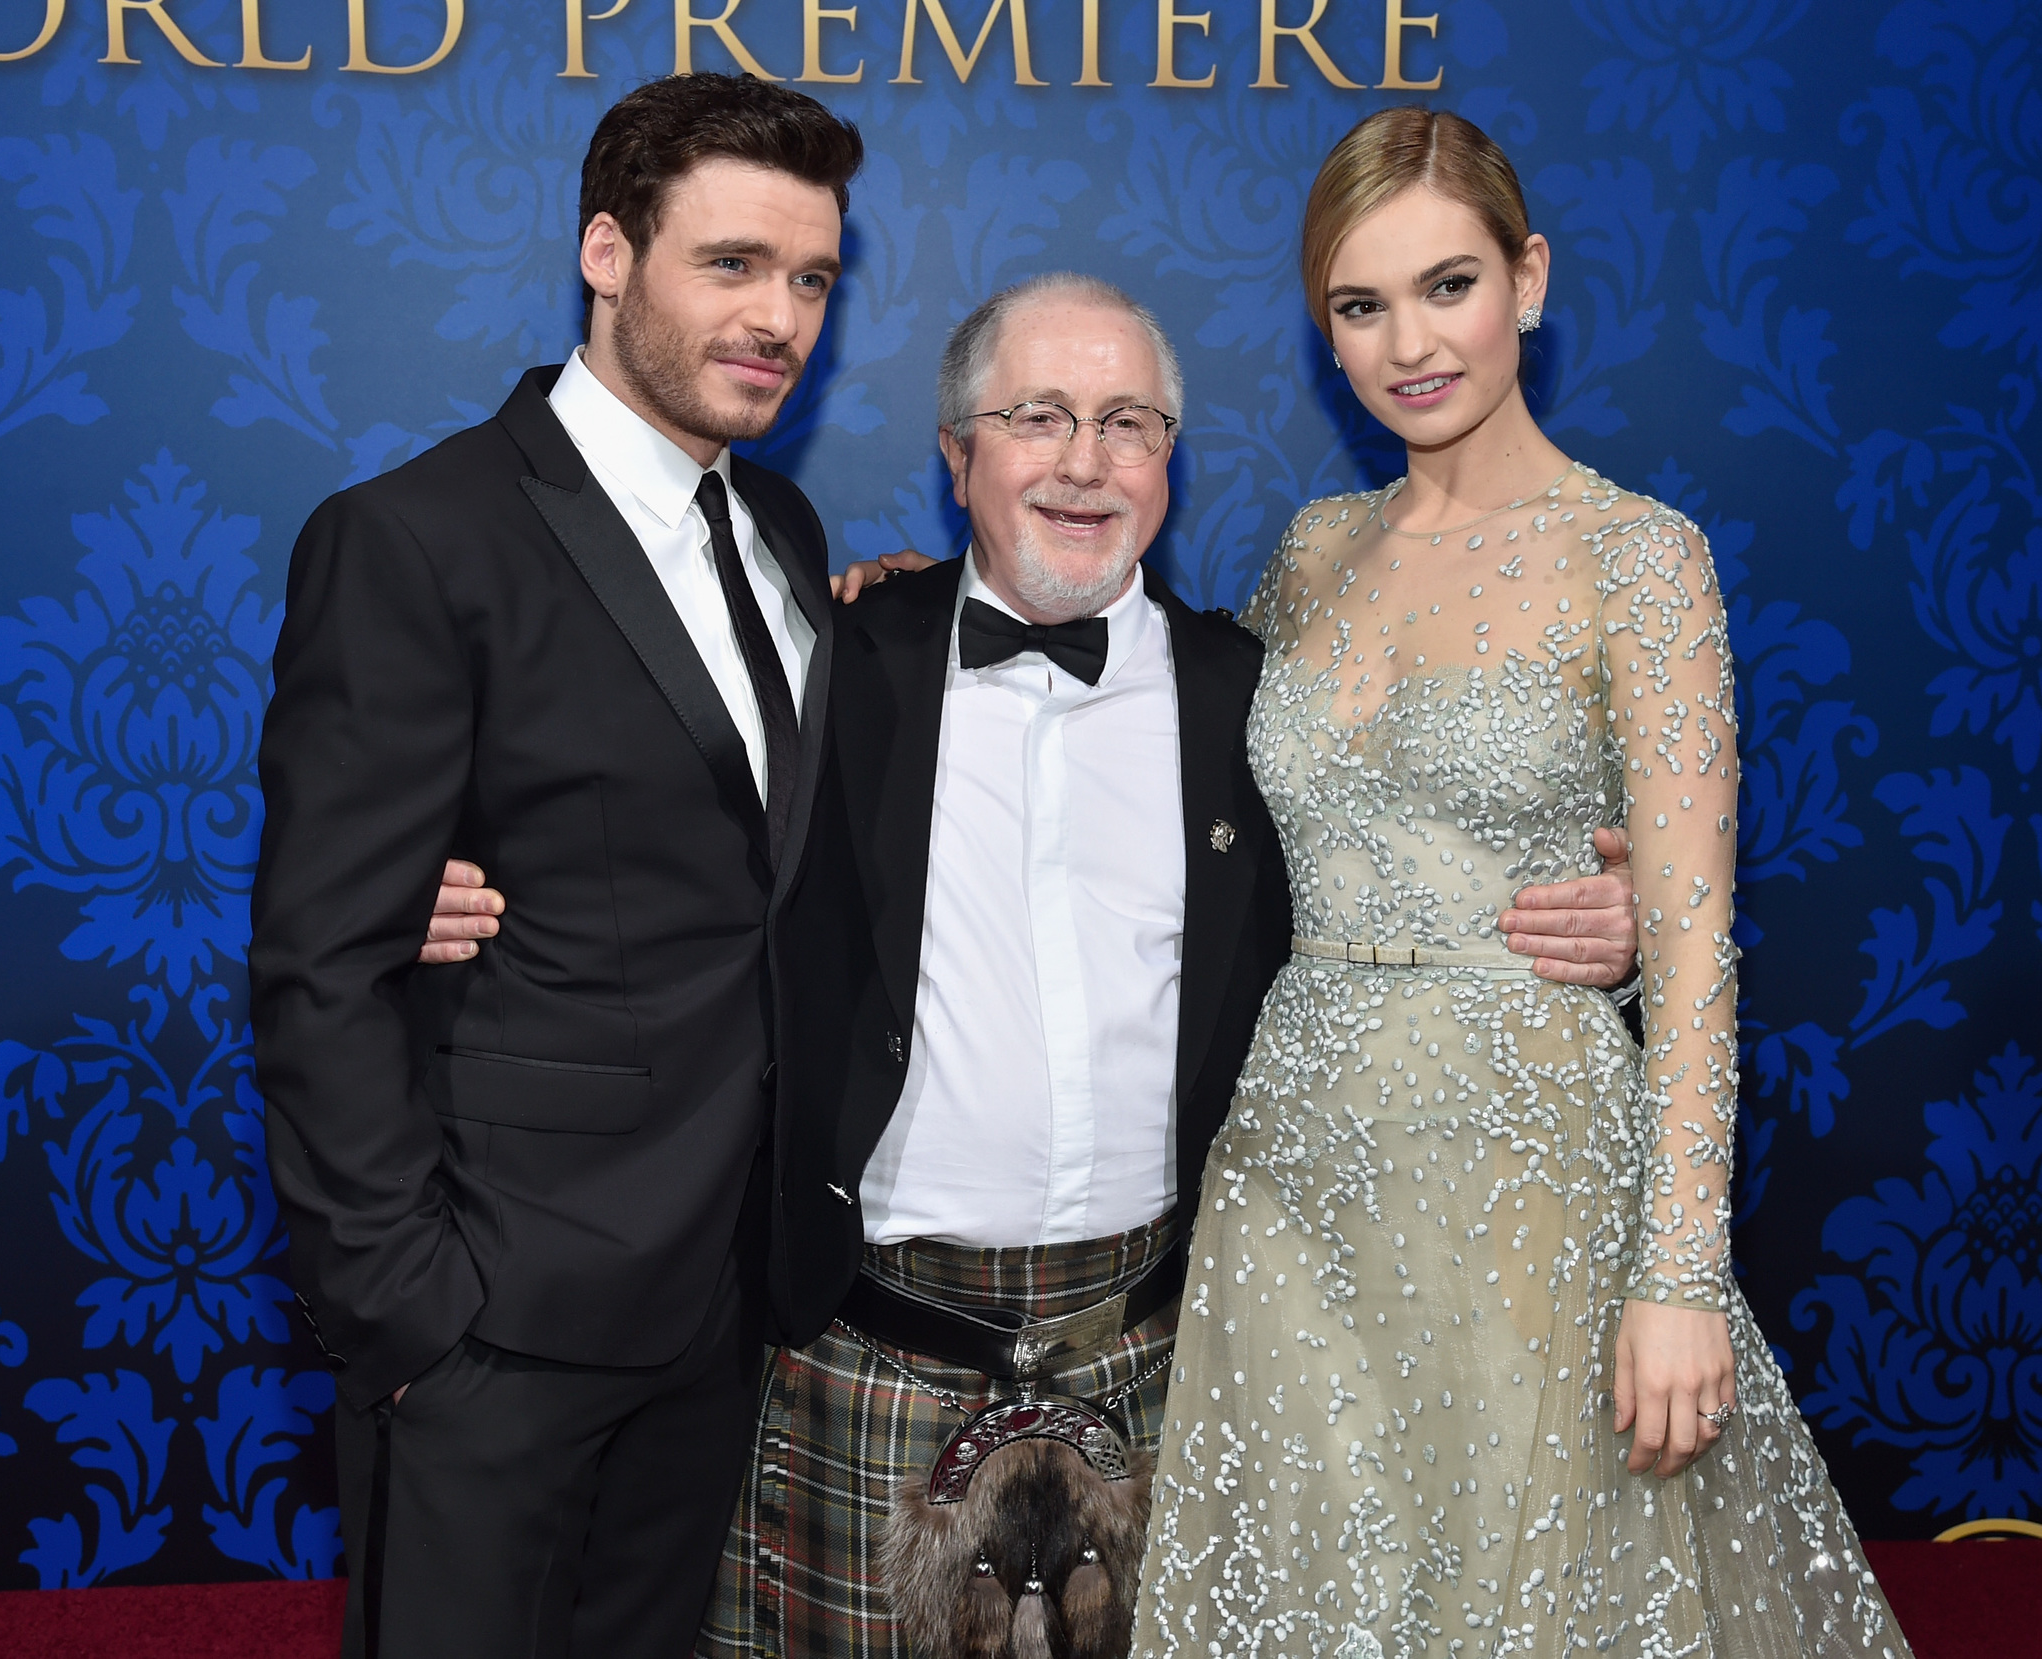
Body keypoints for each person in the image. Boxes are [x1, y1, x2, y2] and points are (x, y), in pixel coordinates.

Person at [423, 272, 1642, 1657]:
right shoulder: (826, 660)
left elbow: (1405, 906)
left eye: (1129, 423)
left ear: (1171, 461)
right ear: (957, 457)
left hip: (1167, 1354)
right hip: (865, 1347)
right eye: (1037, 417)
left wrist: (1608, 931)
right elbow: (618, 808)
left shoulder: (1254, 700)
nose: (1083, 462)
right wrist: (421, 882)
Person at [1130, 109, 1913, 1659]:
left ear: (1528, 279)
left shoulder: (1638, 557)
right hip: (1288, 1175)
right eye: (1361, 307)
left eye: (1448, 286)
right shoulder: (1313, 552)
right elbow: (1173, 749)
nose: (1409, 343)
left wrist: (1681, 1271)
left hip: (1531, 1184)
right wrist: (908, 598)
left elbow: (1697, 953)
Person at [248, 74, 862, 1659]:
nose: (777, 317)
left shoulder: (784, 530)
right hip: (494, 1325)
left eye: (810, 280)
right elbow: (322, 967)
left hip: (722, 1310)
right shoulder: (416, 539)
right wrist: (412, 1318)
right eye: (731, 264)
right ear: (608, 253)